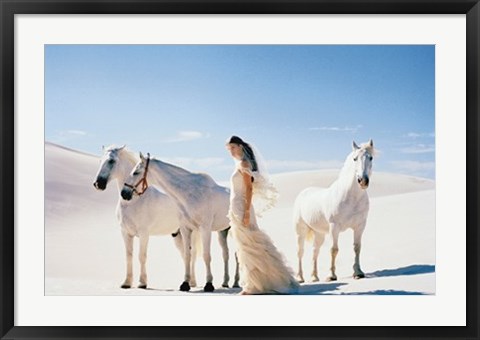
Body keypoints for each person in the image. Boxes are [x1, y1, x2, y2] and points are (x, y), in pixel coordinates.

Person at [226, 135, 299, 295]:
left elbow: (249, 189)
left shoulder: (244, 163)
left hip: (242, 206)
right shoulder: (239, 164)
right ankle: (253, 284)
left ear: (240, 146)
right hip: (236, 207)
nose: (230, 151)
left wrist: (246, 212)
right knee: (244, 246)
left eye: (232, 147)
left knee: (250, 245)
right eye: (228, 148)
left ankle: (253, 285)